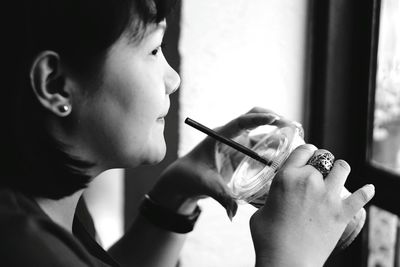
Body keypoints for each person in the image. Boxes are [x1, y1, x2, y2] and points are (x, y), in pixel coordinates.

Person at [0, 0, 375, 266]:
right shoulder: (21, 248)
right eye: (153, 49)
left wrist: (172, 196)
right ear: (56, 84)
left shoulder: (50, 206)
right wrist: (290, 259)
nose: (173, 79)